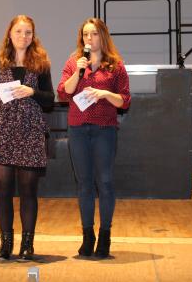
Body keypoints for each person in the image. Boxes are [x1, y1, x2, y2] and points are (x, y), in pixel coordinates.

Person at [0, 15, 54, 261]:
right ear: (10, 34)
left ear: (33, 36)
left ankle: (27, 244)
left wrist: (32, 91)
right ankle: (6, 242)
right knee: (3, 190)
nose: (23, 36)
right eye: (19, 31)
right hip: (2, 133)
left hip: (30, 133)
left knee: (28, 190)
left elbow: (50, 100)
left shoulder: (40, 64)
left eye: (28, 32)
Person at [57, 18, 131, 259]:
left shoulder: (115, 65)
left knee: (105, 182)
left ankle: (105, 235)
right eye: (86, 34)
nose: (89, 38)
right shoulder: (74, 63)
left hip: (104, 130)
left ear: (103, 36)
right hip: (78, 130)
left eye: (95, 34)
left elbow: (124, 101)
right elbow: (63, 93)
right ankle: (87, 235)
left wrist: (105, 93)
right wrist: (78, 72)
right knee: (84, 184)